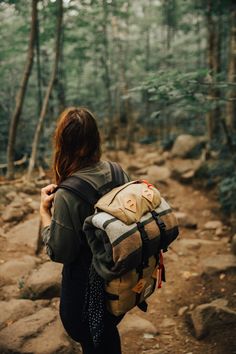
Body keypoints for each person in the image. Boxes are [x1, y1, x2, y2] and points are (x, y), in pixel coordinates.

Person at [40, 107, 128, 354]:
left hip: (86, 294)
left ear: (63, 143)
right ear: (95, 139)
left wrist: (44, 214)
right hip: (119, 282)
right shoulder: (117, 171)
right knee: (107, 336)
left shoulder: (69, 193)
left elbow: (60, 252)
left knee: (92, 339)